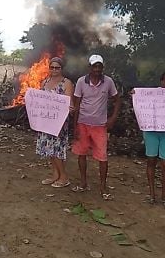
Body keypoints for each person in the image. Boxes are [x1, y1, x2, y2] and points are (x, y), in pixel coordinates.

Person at [72, 54, 121, 200]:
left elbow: (117, 100)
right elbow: (77, 104)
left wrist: (113, 118)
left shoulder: (108, 82)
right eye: (94, 66)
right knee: (81, 154)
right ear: (90, 67)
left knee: (102, 157)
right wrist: (75, 126)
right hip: (83, 124)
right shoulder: (81, 82)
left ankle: (103, 187)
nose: (97, 69)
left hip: (100, 125)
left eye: (99, 66)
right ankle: (83, 183)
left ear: (102, 68)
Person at [133, 70, 165, 206]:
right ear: (161, 82)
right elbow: (141, 101)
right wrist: (135, 96)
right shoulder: (153, 94)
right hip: (151, 131)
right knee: (151, 161)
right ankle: (152, 194)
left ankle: (164, 196)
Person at [36, 57, 74, 188]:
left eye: (57, 67)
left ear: (61, 69)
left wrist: (70, 108)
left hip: (59, 123)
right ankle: (55, 175)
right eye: (52, 67)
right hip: (46, 121)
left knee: (56, 149)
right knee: (48, 149)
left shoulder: (66, 83)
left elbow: (69, 102)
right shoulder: (45, 82)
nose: (54, 70)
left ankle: (64, 177)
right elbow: (40, 101)